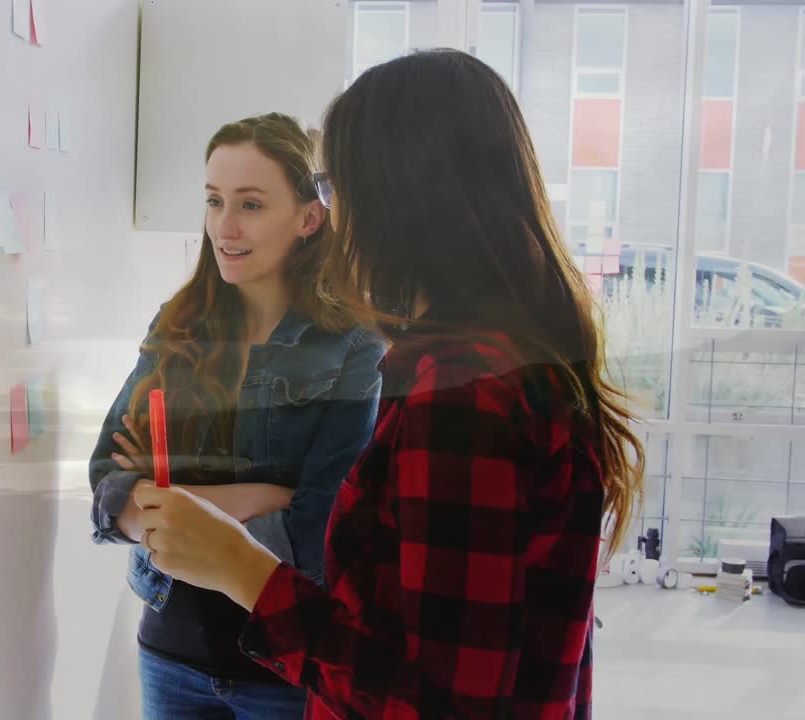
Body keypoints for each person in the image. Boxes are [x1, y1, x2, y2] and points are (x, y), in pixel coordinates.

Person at [134, 50, 646, 719]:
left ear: (398, 202)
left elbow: (438, 703)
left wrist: (242, 568)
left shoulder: (461, 397)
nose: (332, 215)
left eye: (334, 189)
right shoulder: (504, 358)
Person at [88, 112, 385, 720]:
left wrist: (165, 501)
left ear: (308, 218)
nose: (224, 227)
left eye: (250, 204)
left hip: (284, 672)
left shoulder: (353, 345)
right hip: (168, 655)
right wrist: (262, 498)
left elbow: (319, 530)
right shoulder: (177, 324)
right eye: (214, 200)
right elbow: (105, 485)